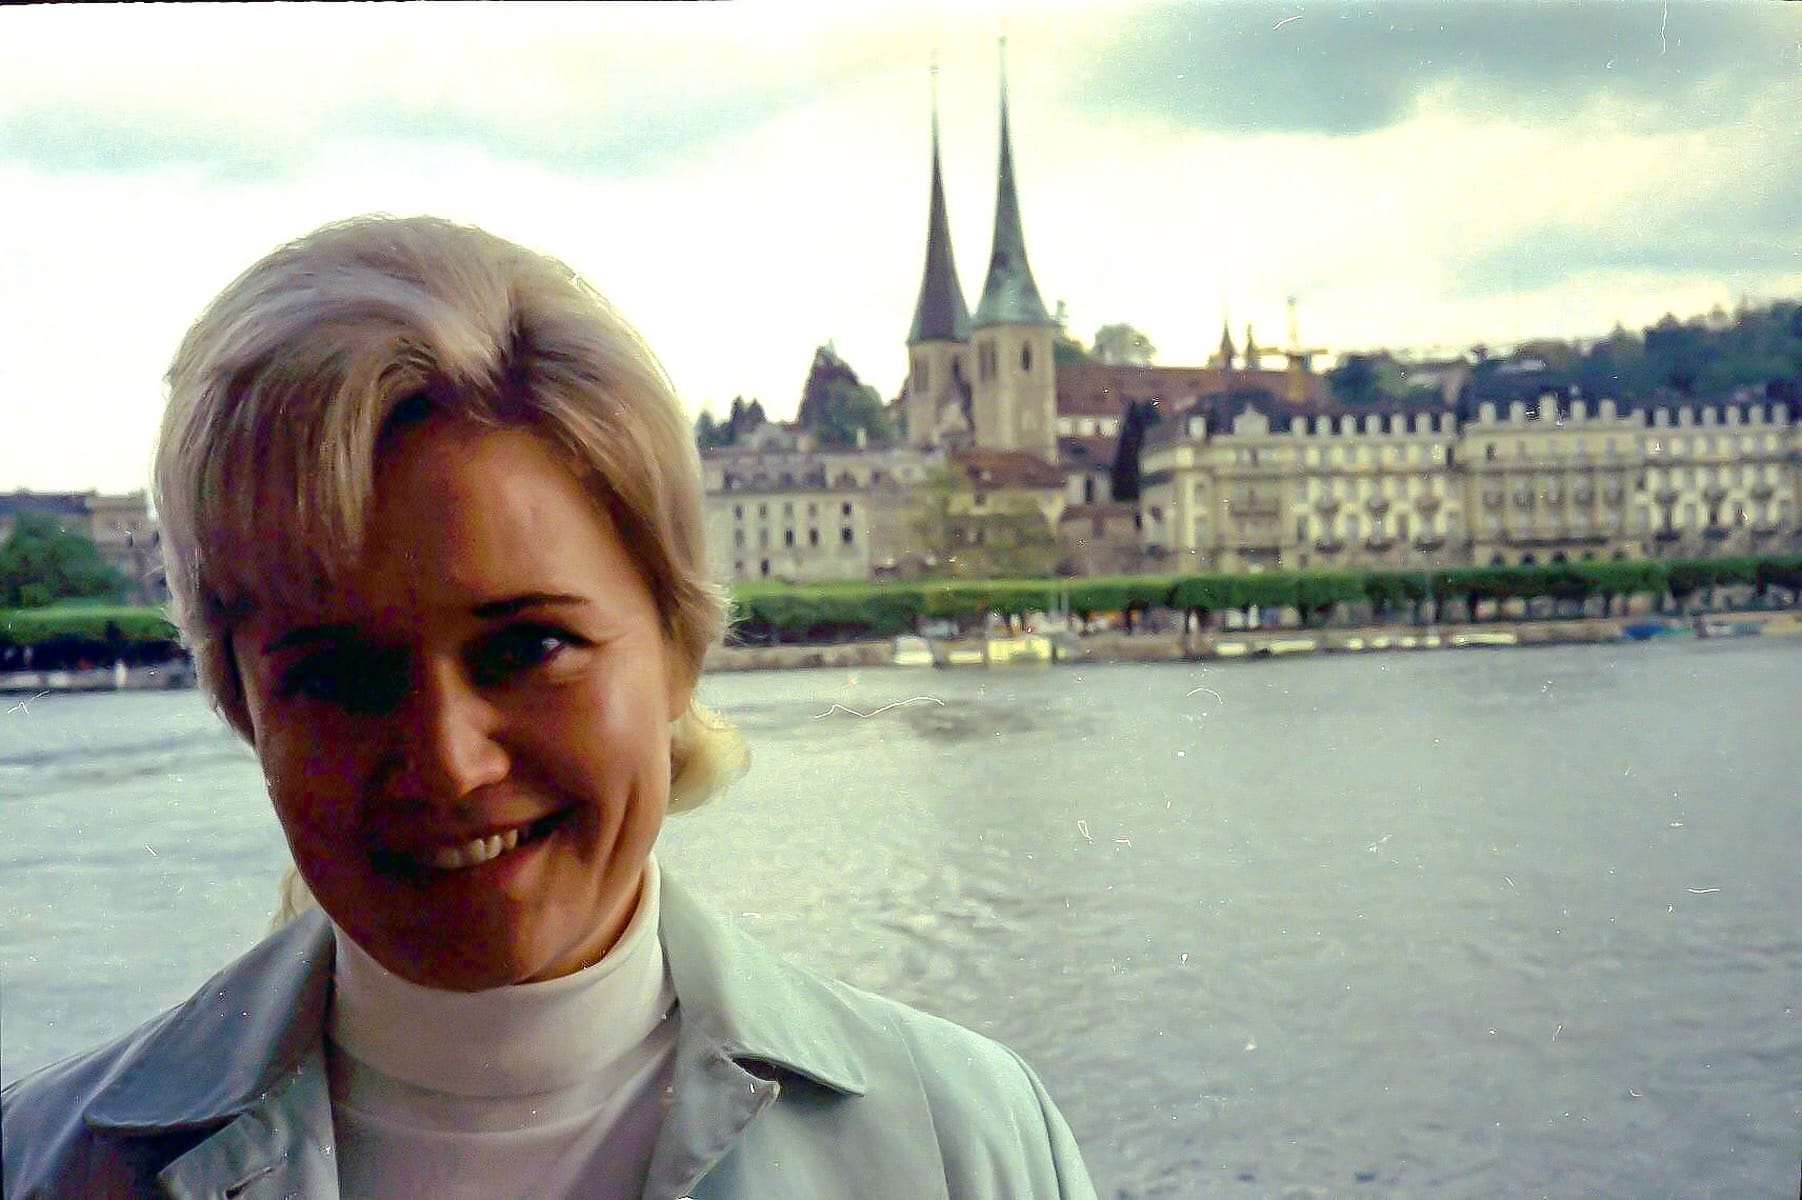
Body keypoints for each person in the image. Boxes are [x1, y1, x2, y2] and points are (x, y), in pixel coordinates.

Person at [1, 216, 1096, 1199]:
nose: (448, 762)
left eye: (527, 647)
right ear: (242, 706)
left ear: (678, 649)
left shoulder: (974, 1147)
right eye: (337, 673)